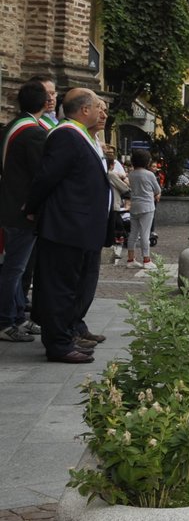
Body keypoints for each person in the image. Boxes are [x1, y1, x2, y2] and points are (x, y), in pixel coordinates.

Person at [23, 89, 110, 363]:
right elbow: (47, 177)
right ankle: (58, 344)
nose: (102, 112)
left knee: (69, 285)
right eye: (98, 106)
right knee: (59, 287)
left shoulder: (79, 135)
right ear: (84, 110)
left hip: (76, 226)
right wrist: (32, 208)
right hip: (65, 226)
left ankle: (67, 335)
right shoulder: (66, 135)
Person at [0, 80, 52, 342]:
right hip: (22, 211)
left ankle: (17, 314)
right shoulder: (33, 132)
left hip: (8, 205)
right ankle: (6, 321)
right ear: (45, 103)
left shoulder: (11, 126)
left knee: (13, 267)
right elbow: (40, 175)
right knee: (15, 269)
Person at [124, 149, 161, 272]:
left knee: (133, 233)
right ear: (147, 161)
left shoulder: (131, 174)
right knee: (145, 234)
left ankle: (130, 260)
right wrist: (156, 194)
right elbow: (157, 189)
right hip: (147, 206)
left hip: (134, 205)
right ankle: (146, 260)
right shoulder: (149, 174)